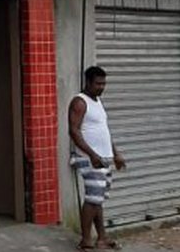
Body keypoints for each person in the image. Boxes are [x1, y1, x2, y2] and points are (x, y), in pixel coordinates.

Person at [68, 66, 126, 252]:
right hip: (89, 158)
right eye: (98, 83)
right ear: (88, 82)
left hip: (104, 158)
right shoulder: (80, 102)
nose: (102, 87)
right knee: (92, 200)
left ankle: (102, 238)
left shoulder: (97, 101)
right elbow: (74, 131)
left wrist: (115, 154)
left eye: (104, 83)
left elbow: (104, 131)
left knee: (98, 200)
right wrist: (92, 155)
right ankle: (85, 240)